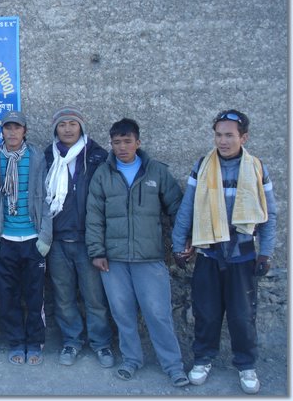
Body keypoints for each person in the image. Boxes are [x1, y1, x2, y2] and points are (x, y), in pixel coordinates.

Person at [171, 109, 277, 395]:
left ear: (243, 137)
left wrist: (265, 253)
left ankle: (246, 365)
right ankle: (203, 359)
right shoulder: (202, 166)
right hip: (209, 253)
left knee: (242, 315)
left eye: (229, 135)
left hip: (242, 256)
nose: (223, 141)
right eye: (218, 135)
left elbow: (269, 214)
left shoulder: (257, 168)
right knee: (206, 312)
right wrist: (178, 244)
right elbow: (188, 208)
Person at [85, 118, 189, 387]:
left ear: (138, 142)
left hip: (150, 259)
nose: (121, 147)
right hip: (114, 260)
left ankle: (173, 366)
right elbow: (94, 216)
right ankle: (131, 360)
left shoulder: (156, 172)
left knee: (158, 313)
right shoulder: (103, 174)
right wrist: (97, 251)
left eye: (127, 141)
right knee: (123, 314)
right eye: (116, 142)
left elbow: (177, 208)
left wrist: (183, 243)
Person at [0, 110, 52, 366]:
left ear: (25, 131)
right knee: (8, 297)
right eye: (7, 128)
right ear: (2, 132)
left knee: (34, 297)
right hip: (4, 241)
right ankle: (15, 343)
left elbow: (45, 198)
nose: (12, 132)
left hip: (32, 240)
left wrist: (45, 236)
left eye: (17, 128)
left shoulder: (36, 157)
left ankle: (34, 342)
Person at [44, 106, 114, 367]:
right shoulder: (47, 157)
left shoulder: (97, 157)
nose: (68, 129)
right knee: (63, 297)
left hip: (88, 240)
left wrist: (102, 242)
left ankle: (101, 343)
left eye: (73, 123)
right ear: (55, 129)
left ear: (81, 127)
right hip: (58, 240)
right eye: (62, 124)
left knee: (94, 297)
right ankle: (71, 341)